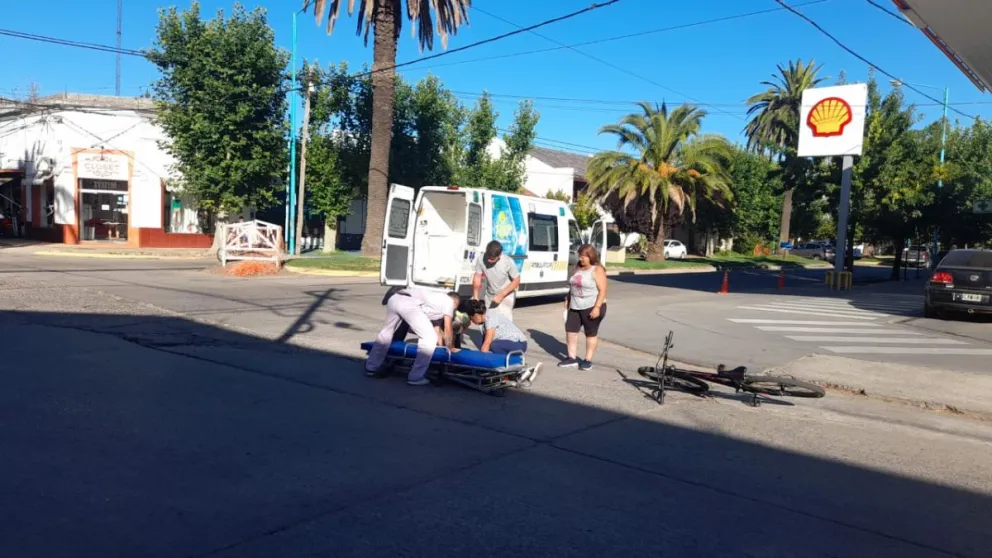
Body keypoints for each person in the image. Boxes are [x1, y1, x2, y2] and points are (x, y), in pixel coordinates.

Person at [366, 287, 461, 386]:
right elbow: (448, 327)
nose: (453, 311)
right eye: (455, 308)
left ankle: (371, 367)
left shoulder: (437, 301)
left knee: (387, 332)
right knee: (429, 337)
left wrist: (442, 348)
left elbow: (436, 328)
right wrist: (450, 348)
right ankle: (416, 377)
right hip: (409, 303)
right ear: (455, 303)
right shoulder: (449, 301)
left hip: (395, 298)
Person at [464, 299, 541, 386]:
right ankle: (516, 374)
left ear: (476, 315)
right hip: (511, 344)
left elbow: (487, 343)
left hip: (518, 344)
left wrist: (479, 363)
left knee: (493, 345)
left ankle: (519, 371)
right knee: (491, 350)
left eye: (471, 318)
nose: (472, 321)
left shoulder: (490, 317)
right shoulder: (484, 320)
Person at [559, 243, 608, 371]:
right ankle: (571, 358)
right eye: (580, 256)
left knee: (590, 333)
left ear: (591, 256)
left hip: (592, 305)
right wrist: (568, 297)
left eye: (584, 257)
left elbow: (602, 290)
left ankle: (588, 360)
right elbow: (573, 285)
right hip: (575, 306)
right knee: (571, 331)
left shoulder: (597, 269)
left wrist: (597, 307)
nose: (581, 259)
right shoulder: (577, 269)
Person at [472, 240, 520, 320]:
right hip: (490, 294)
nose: (489, 261)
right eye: (488, 257)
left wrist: (501, 295)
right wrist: (475, 297)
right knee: (488, 320)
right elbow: (477, 277)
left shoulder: (508, 262)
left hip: (506, 295)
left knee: (503, 321)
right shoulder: (481, 259)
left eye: (492, 259)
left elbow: (517, 280)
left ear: (499, 255)